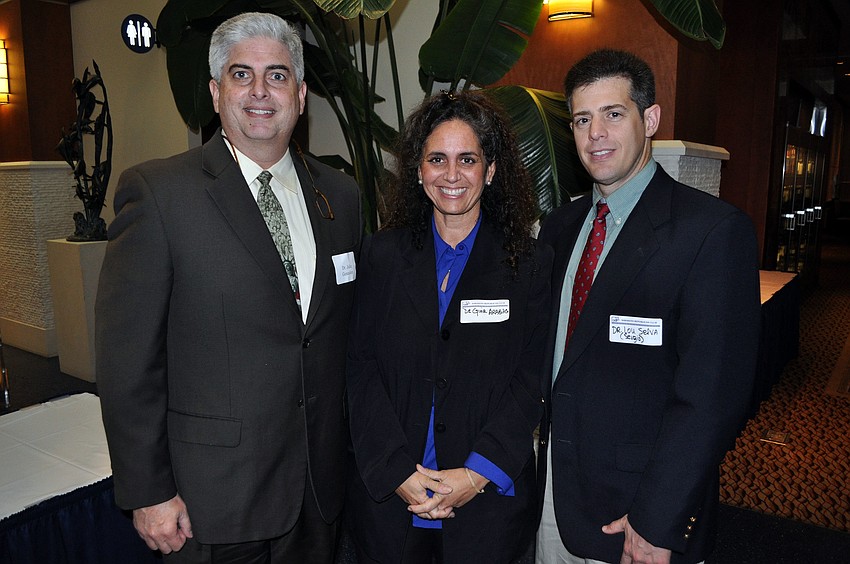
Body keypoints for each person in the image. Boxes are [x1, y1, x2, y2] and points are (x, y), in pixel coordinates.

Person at [95, 12, 361, 563]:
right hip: (210, 502)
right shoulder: (159, 193)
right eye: (242, 75)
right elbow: (127, 362)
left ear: (302, 93)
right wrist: (148, 491)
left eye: (278, 75)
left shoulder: (342, 196)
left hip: (318, 491)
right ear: (216, 93)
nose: (261, 91)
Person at [535, 49, 761, 564]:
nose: (596, 133)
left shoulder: (711, 233)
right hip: (555, 496)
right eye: (582, 119)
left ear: (650, 119)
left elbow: (711, 399)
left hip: (639, 515)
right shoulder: (561, 228)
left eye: (614, 114)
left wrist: (658, 519)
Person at [346, 90, 552, 563]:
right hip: (391, 505)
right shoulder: (381, 256)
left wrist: (476, 474)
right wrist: (398, 471)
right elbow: (359, 370)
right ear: (418, 170)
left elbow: (531, 381)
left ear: (491, 170)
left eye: (468, 159)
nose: (452, 175)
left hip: (486, 510)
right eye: (437, 159)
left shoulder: (531, 264)